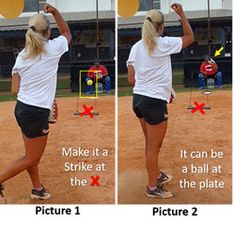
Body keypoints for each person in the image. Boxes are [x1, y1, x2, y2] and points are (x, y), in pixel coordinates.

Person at [0, 4, 71, 203]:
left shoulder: (22, 56)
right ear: (48, 33)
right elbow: (66, 32)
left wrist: (40, 97)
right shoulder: (54, 48)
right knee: (31, 158)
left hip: (21, 109)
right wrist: (56, 12)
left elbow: (14, 90)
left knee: (30, 154)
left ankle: (37, 188)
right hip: (35, 112)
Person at [127, 3, 194, 198]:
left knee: (150, 143)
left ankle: (156, 175)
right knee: (153, 147)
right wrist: (181, 13)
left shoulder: (136, 47)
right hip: (153, 102)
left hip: (138, 99)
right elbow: (190, 38)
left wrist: (161, 87)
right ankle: (152, 187)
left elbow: (132, 80)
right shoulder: (162, 43)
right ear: (161, 27)